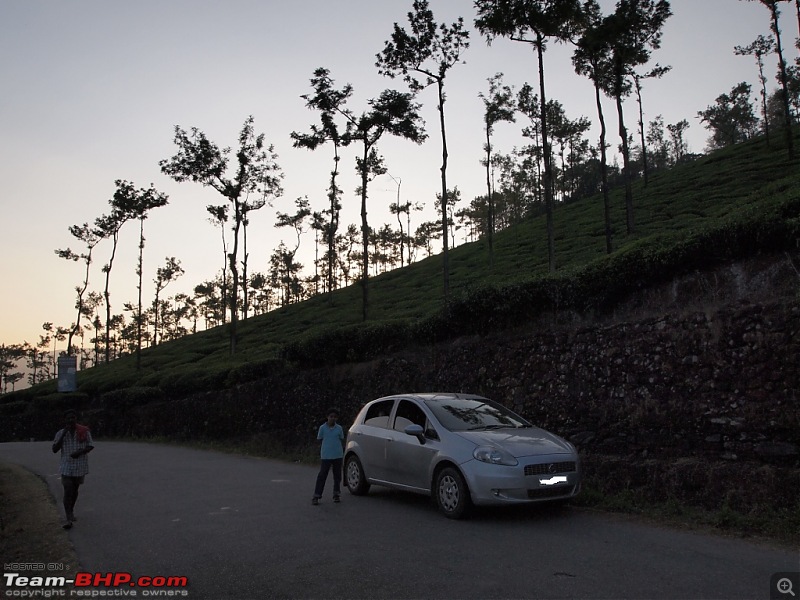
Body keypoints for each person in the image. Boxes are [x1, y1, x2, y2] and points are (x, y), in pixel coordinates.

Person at [52, 409, 94, 529]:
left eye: (73, 417)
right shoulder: (60, 433)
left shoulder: (84, 431)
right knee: (68, 489)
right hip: (66, 466)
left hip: (80, 465)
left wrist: (79, 452)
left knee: (75, 490)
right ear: (64, 420)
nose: (71, 420)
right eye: (68, 418)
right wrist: (64, 434)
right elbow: (55, 449)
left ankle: (71, 510)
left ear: (76, 418)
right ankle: (68, 517)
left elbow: (90, 445)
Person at [312, 408, 345, 505]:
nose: (333, 419)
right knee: (322, 475)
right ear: (327, 417)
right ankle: (317, 495)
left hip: (337, 455)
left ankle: (336, 494)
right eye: (331, 417)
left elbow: (341, 439)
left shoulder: (339, 428)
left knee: (337, 476)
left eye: (335, 417)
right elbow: (320, 439)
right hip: (326, 456)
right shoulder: (322, 428)